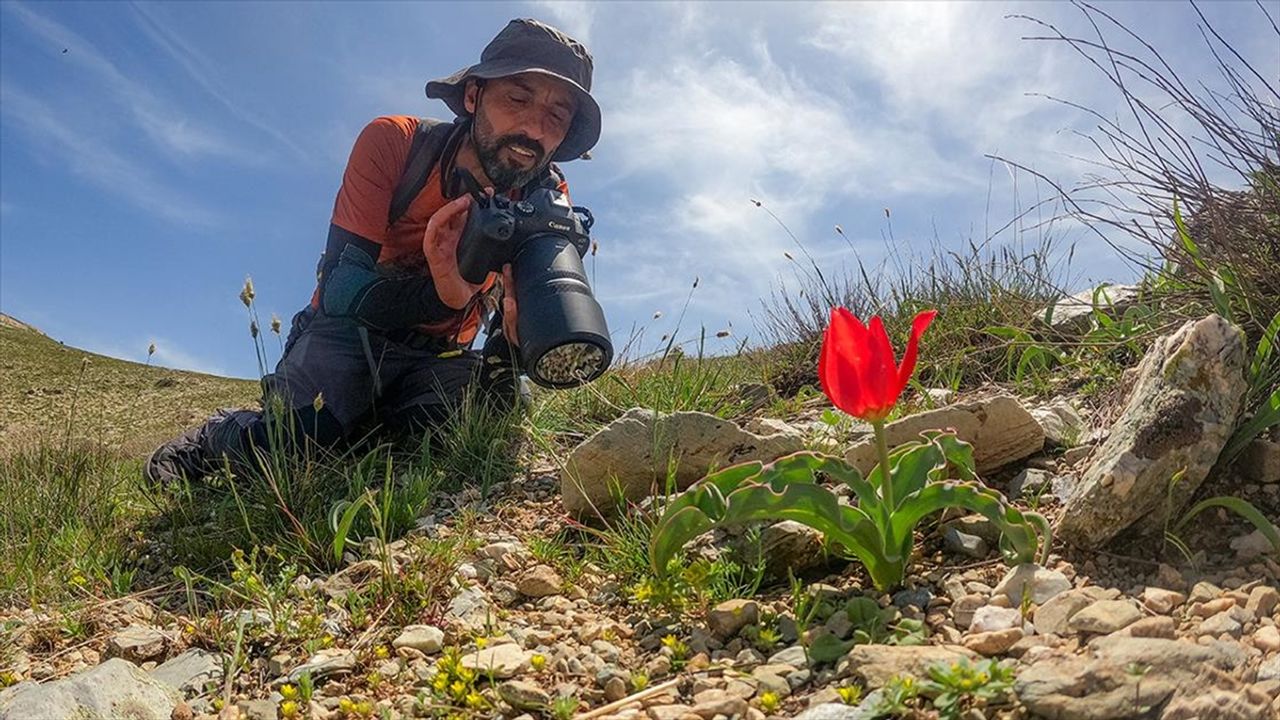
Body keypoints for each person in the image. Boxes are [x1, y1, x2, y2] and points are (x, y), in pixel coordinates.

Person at [145, 18, 601, 485]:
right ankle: (222, 434)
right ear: (472, 96)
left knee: (491, 417)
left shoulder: (547, 196)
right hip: (347, 333)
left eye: (557, 116)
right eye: (517, 99)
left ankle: (364, 422)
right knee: (301, 441)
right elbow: (340, 289)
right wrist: (441, 296)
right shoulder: (396, 143)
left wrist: (514, 344)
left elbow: (515, 324)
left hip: (438, 356)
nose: (533, 129)